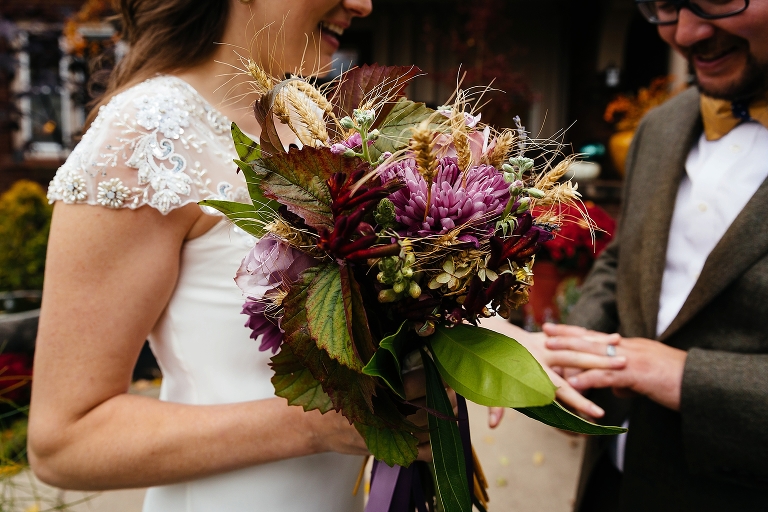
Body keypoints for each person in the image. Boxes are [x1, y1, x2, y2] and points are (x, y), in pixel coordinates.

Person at [543, 1, 768, 510]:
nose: (685, 33)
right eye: (666, 5)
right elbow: (625, 260)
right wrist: (569, 351)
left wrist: (684, 378)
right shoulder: (661, 126)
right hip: (617, 481)